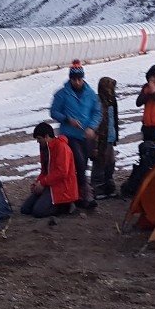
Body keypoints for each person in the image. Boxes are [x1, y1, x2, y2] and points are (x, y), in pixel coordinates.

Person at [50, 60, 101, 209]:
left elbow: (97, 112)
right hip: (69, 135)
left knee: (83, 163)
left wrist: (92, 127)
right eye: (74, 79)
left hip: (85, 135)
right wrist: (67, 119)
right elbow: (54, 111)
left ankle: (77, 194)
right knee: (78, 161)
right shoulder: (62, 94)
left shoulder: (90, 94)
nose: (77, 82)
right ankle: (85, 194)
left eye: (79, 79)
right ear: (70, 79)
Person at [21, 122, 79, 218]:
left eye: (39, 139)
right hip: (50, 184)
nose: (38, 142)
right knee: (25, 209)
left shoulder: (61, 147)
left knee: (38, 212)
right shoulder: (45, 148)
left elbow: (62, 173)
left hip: (62, 187)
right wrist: (37, 183)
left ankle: (65, 205)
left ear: (47, 137)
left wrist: (43, 183)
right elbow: (44, 170)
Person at [92, 76, 120, 199]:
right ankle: (98, 187)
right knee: (100, 162)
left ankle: (108, 185)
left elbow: (114, 119)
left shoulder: (112, 101)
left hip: (110, 136)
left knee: (110, 161)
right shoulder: (98, 102)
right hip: (101, 138)